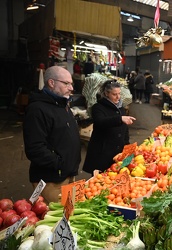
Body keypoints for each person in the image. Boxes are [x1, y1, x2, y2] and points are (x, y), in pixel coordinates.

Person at [23, 66, 81, 203]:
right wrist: (60, 164)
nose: (71, 88)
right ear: (51, 83)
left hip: (68, 173)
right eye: (66, 83)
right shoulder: (37, 110)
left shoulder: (62, 104)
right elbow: (35, 149)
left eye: (71, 83)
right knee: (57, 216)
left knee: (70, 213)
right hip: (52, 179)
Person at [83, 80, 136, 174]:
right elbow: (100, 122)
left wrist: (127, 148)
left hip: (118, 154)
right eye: (114, 94)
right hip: (102, 153)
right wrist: (119, 119)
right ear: (106, 93)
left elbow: (125, 130)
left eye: (119, 93)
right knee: (99, 182)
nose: (118, 97)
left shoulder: (120, 108)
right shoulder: (98, 107)